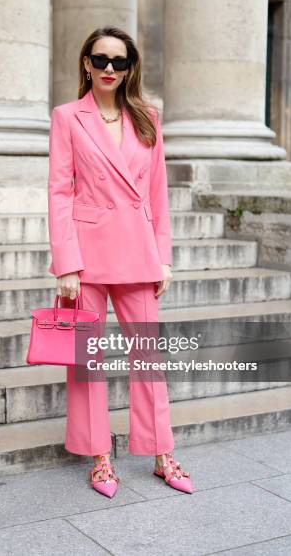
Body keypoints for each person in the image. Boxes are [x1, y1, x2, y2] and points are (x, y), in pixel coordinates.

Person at [47, 25, 194, 498]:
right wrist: (66, 261)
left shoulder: (148, 117)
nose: (110, 69)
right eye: (101, 59)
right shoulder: (68, 117)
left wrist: (163, 258)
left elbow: (157, 194)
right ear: (86, 64)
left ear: (131, 68)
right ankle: (100, 458)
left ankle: (161, 453)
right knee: (87, 361)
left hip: (138, 253)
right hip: (86, 257)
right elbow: (60, 192)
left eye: (120, 61)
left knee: (147, 357)